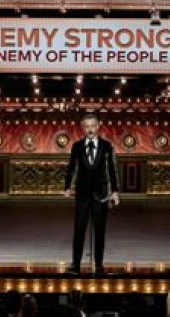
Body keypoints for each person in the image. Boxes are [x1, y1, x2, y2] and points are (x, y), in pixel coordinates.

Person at [63, 113, 119, 276]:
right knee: (79, 230)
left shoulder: (107, 146)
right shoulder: (77, 146)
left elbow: (112, 169)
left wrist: (115, 191)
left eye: (93, 126)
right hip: (82, 194)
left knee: (100, 231)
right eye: (87, 126)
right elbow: (71, 167)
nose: (90, 129)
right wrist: (67, 187)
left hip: (101, 195)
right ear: (83, 128)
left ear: (98, 126)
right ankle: (75, 265)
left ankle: (99, 266)